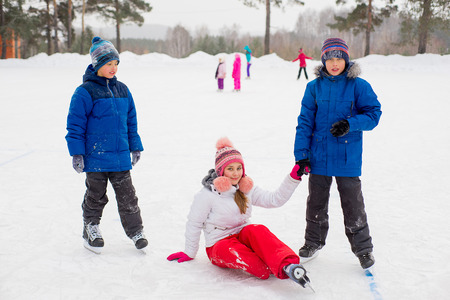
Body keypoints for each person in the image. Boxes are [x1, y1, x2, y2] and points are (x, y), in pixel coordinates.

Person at [167, 137, 312, 289]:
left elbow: (274, 200)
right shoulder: (207, 195)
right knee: (260, 269)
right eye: (230, 169)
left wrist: (294, 177)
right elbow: (194, 223)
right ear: (221, 171)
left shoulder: (246, 188)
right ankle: (272, 264)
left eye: (239, 168)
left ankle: (288, 266)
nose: (236, 173)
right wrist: (189, 252)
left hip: (243, 235)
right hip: (218, 244)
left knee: (257, 229)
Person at [293, 38, 382, 269]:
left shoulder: (358, 85)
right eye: (330, 59)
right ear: (323, 60)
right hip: (319, 156)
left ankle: (363, 249)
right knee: (316, 204)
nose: (334, 63)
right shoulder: (314, 87)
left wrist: (350, 124)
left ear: (346, 59)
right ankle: (312, 242)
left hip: (347, 157)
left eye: (339, 58)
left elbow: (374, 114)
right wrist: (301, 155)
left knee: (353, 204)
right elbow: (304, 123)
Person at [65, 36, 148, 254]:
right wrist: (77, 154)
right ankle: (90, 228)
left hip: (120, 157)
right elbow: (75, 126)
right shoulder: (84, 92)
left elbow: (131, 122)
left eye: (116, 63)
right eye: (108, 64)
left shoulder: (123, 90)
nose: (113, 68)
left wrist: (135, 146)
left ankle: (136, 231)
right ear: (97, 65)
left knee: (128, 196)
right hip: (95, 158)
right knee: (96, 196)